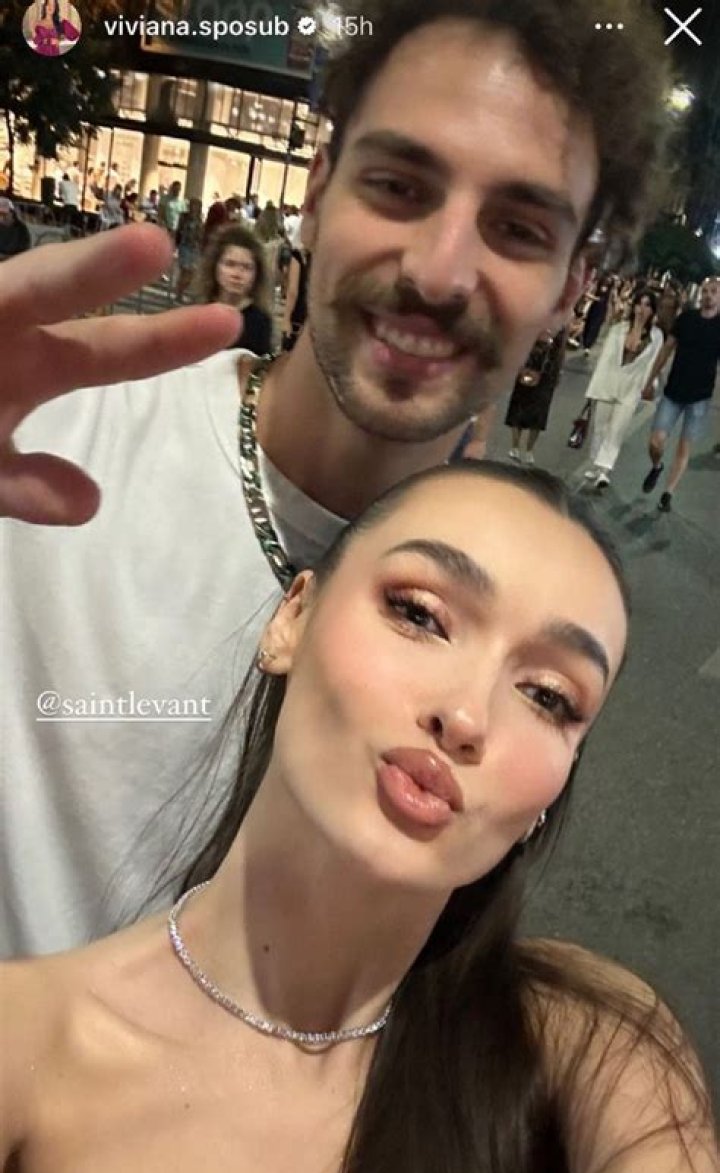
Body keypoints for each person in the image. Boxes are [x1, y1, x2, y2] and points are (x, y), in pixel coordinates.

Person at [0, 0, 673, 956]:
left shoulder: (524, 646)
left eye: (519, 229)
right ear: (317, 194)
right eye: (399, 186)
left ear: (571, 287)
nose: (439, 273)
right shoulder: (50, 440)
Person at [1, 462, 718, 1173]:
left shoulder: (586, 1047)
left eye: (548, 695)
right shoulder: (31, 1038)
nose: (466, 714)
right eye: (420, 614)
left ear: (552, 792)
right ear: (293, 618)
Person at [640, 274, 720, 512]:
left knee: (684, 448)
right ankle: (657, 466)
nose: (708, 295)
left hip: (700, 397)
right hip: (673, 391)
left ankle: (668, 493)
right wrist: (650, 379)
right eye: (705, 291)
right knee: (655, 442)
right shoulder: (686, 318)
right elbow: (666, 349)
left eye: (714, 291)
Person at [582, 288, 663, 490]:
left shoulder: (656, 336)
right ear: (633, 306)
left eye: (647, 305)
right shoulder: (618, 329)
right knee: (600, 427)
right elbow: (605, 360)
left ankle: (605, 471)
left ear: (653, 310)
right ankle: (596, 465)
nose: (642, 309)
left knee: (616, 430)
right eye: (639, 304)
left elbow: (653, 363)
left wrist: (649, 386)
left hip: (631, 388)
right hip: (608, 383)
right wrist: (593, 388)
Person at [196, 222, 274, 355]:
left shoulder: (260, 322)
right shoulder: (201, 311)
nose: (237, 274)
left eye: (246, 267)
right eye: (230, 264)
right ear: (215, 266)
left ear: (257, 274)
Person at [505, 326, 567, 464]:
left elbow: (561, 348)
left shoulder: (562, 322)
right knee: (519, 406)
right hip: (528, 365)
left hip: (547, 371)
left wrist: (559, 371)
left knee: (539, 411)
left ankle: (529, 450)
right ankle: (515, 446)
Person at [280, 243, 311, 350]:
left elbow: (293, 290)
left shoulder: (297, 256)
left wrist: (286, 318)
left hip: (297, 314)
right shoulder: (318, 258)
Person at [175, 196, 204, 302]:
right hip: (185, 246)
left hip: (195, 248)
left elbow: (201, 233)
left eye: (197, 205)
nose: (194, 207)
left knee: (192, 273)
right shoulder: (184, 217)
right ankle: (179, 294)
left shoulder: (199, 219)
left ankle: (180, 291)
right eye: (193, 205)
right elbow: (180, 230)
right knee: (185, 271)